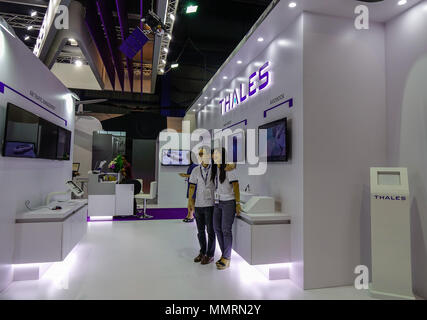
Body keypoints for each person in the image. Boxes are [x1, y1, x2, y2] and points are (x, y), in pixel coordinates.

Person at [211, 147, 241, 270]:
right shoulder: (215, 169)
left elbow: (236, 186)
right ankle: (224, 255)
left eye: (216, 155)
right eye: (213, 155)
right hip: (217, 203)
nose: (214, 157)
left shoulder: (229, 169)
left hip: (228, 203)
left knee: (225, 230)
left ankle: (227, 258)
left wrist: (238, 203)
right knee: (217, 228)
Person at [187, 147, 216, 265]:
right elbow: (192, 186)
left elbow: (228, 168)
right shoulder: (195, 170)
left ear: (208, 155)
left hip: (211, 205)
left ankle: (210, 254)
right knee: (200, 231)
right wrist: (190, 201)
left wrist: (232, 166)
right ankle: (202, 252)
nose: (201, 156)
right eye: (199, 154)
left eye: (203, 153)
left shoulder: (215, 169)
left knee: (210, 230)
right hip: (199, 204)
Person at [179, 158, 198, 222]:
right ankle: (189, 215)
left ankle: (192, 216)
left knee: (192, 202)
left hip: (194, 186)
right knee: (190, 201)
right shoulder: (192, 166)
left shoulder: (195, 166)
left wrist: (185, 175)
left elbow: (194, 176)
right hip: (190, 185)